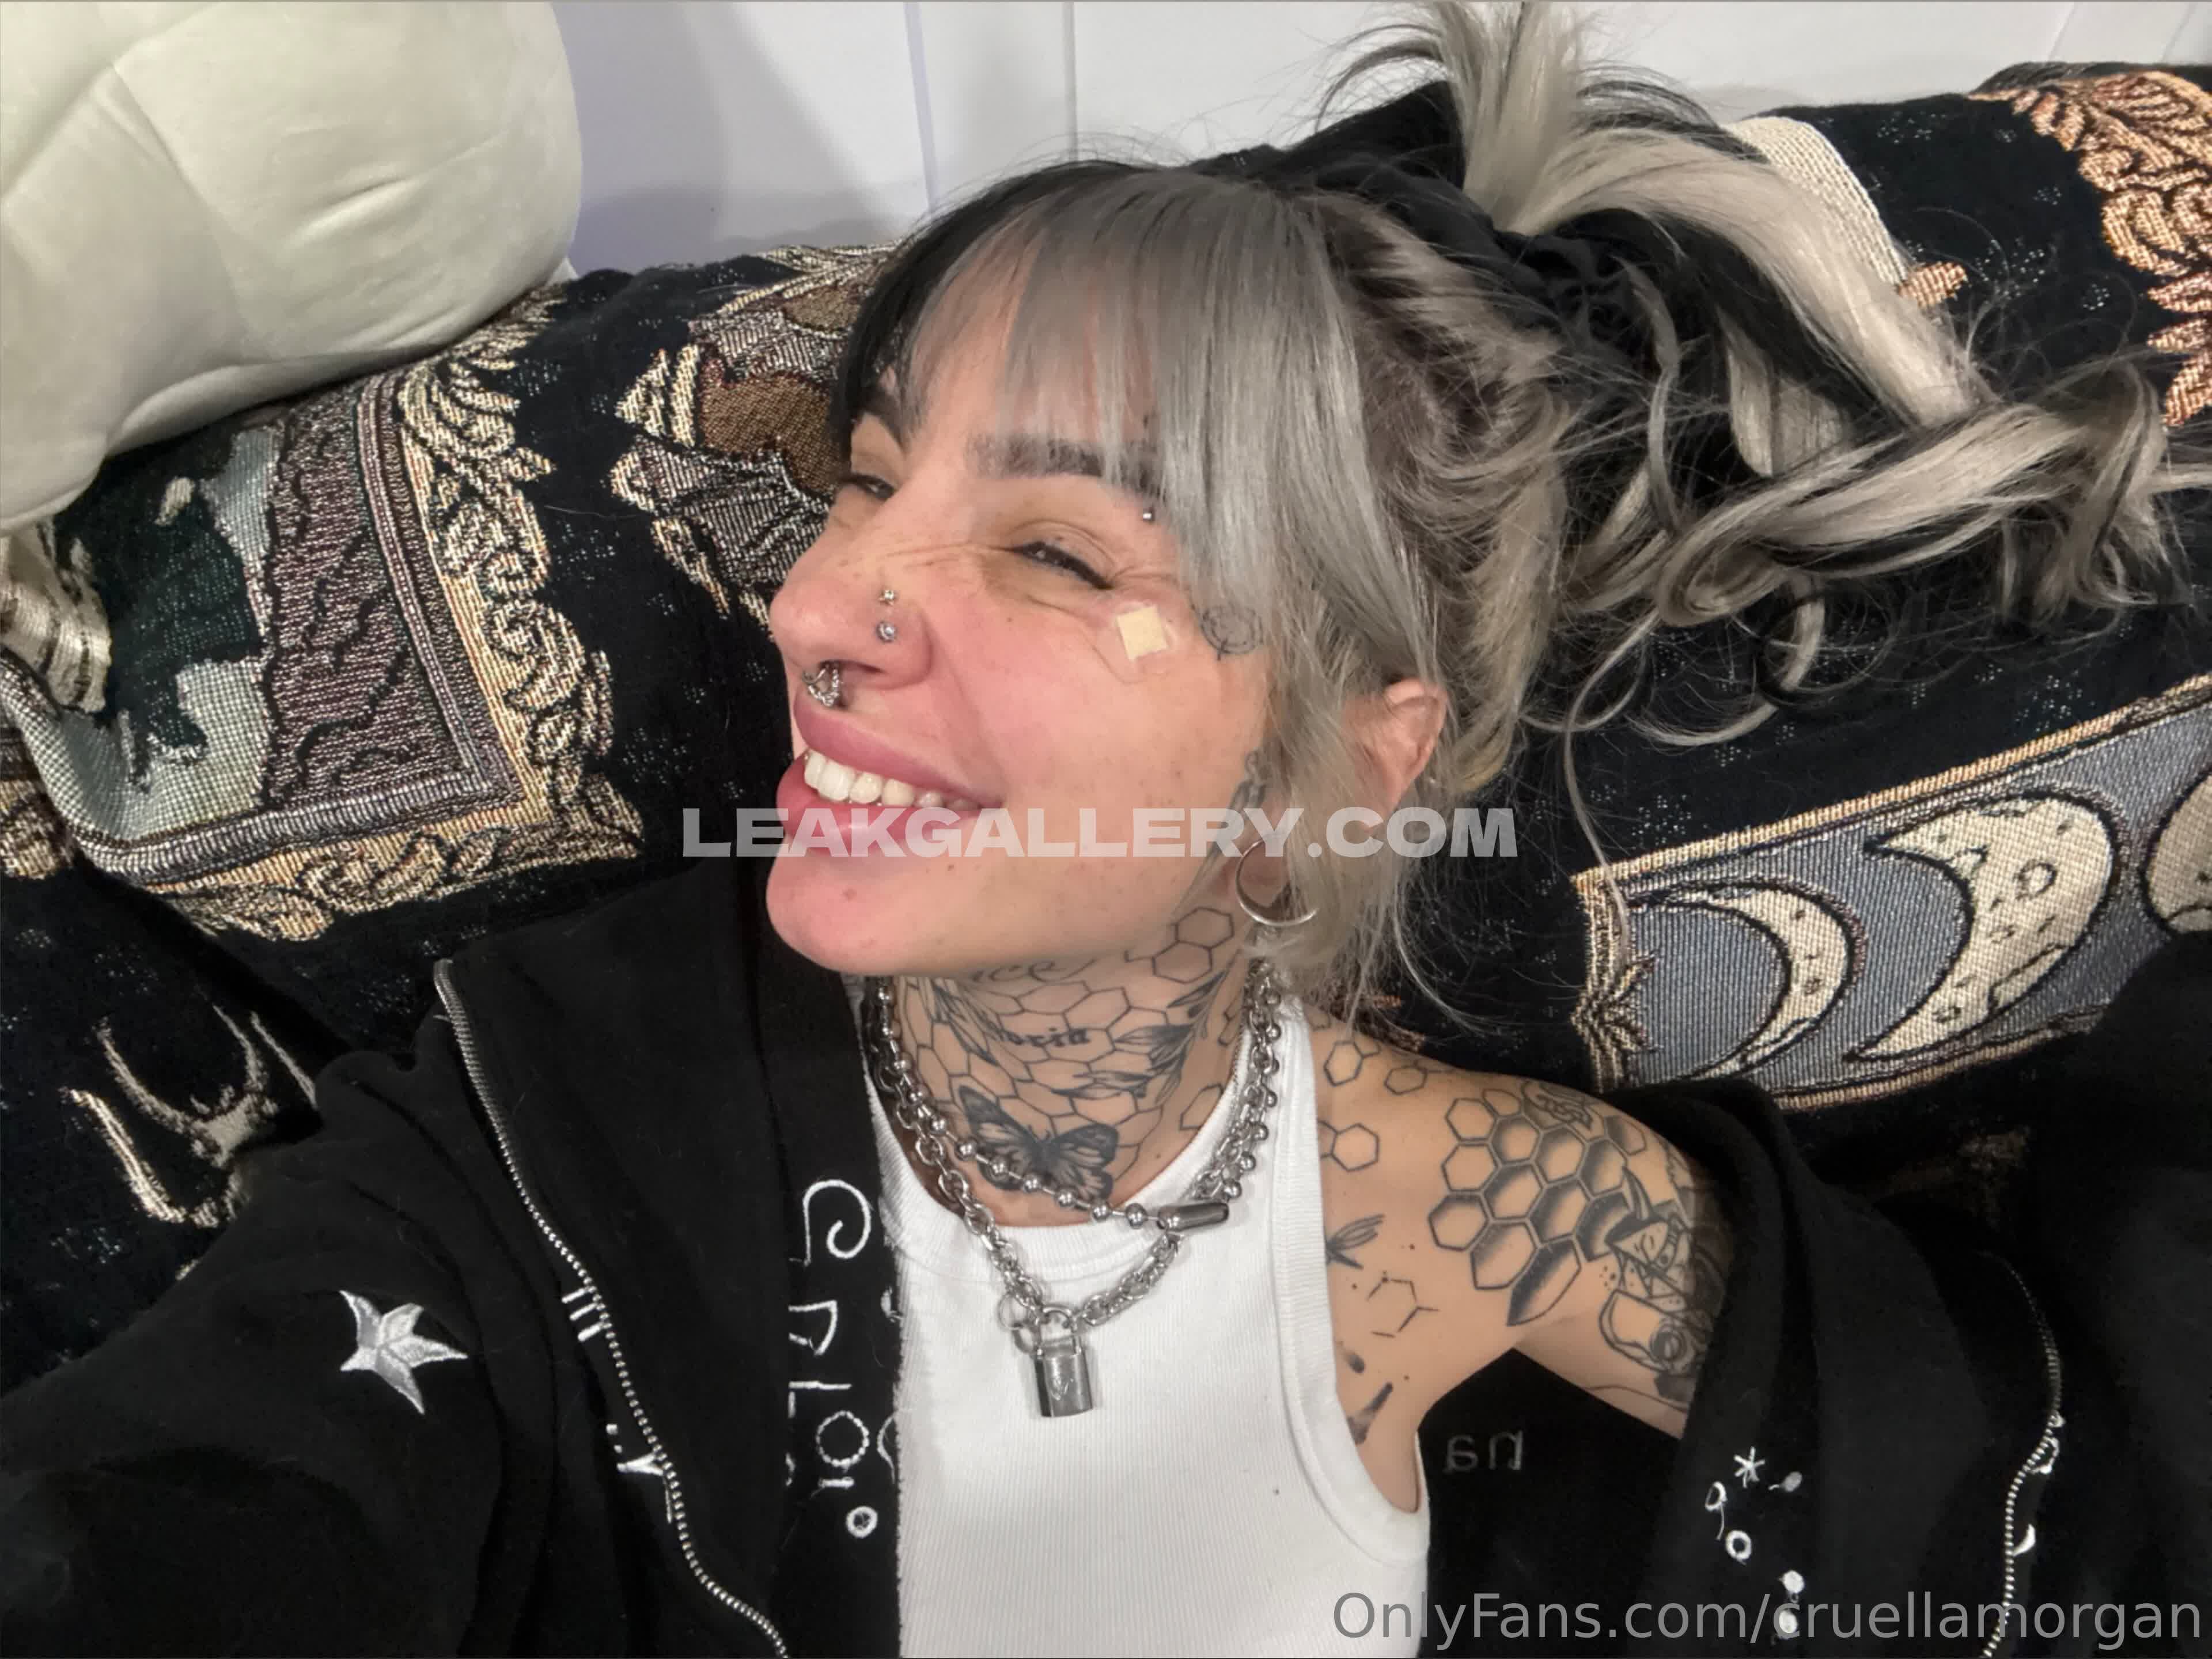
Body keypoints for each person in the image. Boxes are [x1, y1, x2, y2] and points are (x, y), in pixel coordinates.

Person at [4, 6, 2206, 1655]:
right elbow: (196, 1508)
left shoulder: (1538, 1227)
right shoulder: (542, 1125)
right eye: (871, 482)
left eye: (1059, 554)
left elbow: (2071, 1547)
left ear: (1339, 771)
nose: (820, 611)